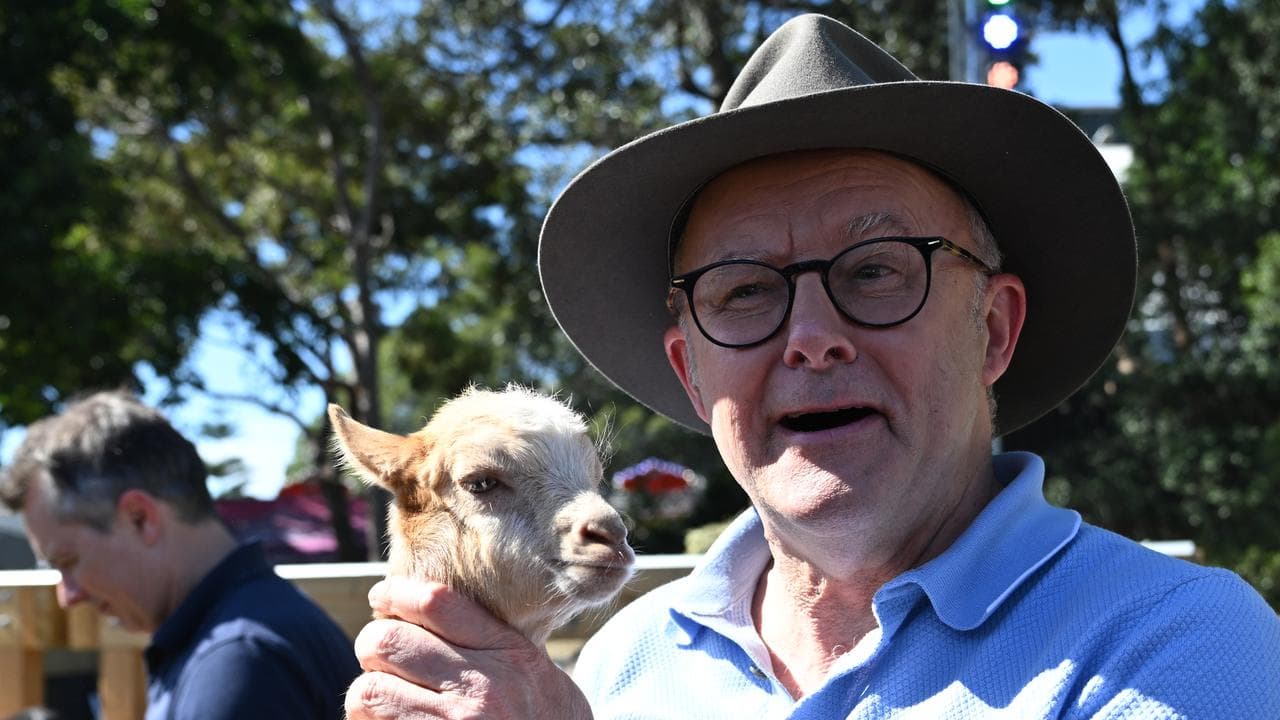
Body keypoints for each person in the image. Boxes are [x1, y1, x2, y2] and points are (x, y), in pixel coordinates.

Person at [342, 14, 1280, 719]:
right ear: (692, 372)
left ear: (992, 329)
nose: (811, 336)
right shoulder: (627, 660)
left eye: (876, 271)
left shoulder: (1177, 645)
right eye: (745, 290)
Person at [0, 390, 360, 720]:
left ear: (140, 518)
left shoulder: (238, 665)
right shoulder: (247, 628)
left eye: (67, 562)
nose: (68, 596)